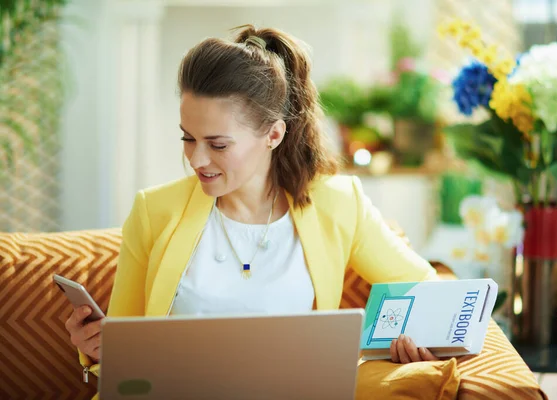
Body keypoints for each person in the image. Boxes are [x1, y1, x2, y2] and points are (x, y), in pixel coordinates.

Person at [64, 24, 441, 388]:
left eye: (218, 144)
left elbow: (425, 289)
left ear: (274, 134)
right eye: (188, 138)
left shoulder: (339, 203)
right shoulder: (154, 211)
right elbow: (126, 353)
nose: (196, 159)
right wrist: (97, 350)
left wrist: (400, 339)